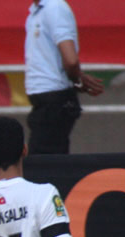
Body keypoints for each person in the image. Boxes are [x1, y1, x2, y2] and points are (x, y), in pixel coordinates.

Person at [24, 0, 103, 155]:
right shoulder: (36, 11)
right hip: (46, 98)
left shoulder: (54, 7)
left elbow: (71, 59)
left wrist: (76, 78)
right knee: (48, 158)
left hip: (53, 97)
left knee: (45, 163)